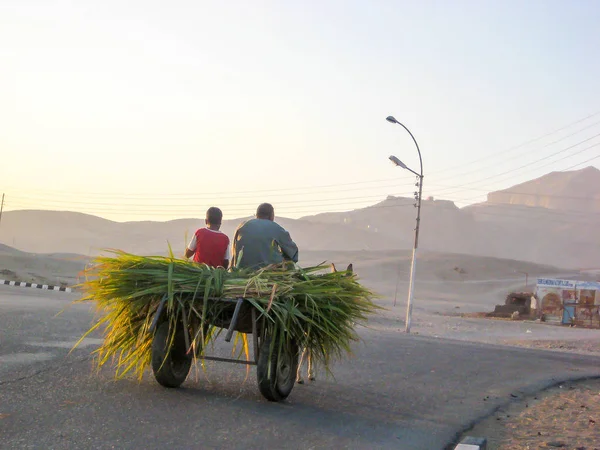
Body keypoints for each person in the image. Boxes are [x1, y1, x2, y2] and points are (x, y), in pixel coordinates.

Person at [232, 203, 298, 270]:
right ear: (271, 216)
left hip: (243, 271)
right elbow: (292, 253)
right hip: (269, 272)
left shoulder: (243, 226)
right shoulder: (276, 228)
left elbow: (235, 254)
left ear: (257, 215)